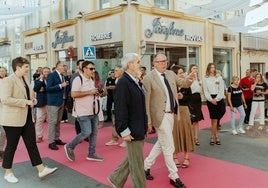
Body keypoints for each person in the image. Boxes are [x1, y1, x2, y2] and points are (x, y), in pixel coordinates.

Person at [0, 57, 57, 183]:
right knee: (11, 146)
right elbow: (5, 99)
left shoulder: (25, 79)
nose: (28, 69)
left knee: (31, 144)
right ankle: (8, 172)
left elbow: (30, 95)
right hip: (12, 119)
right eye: (26, 67)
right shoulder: (8, 81)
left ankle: (41, 169)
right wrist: (26, 102)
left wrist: (34, 100)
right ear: (18, 67)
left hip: (27, 117)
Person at [143, 52, 195, 188]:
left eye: (164, 61)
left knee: (161, 142)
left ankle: (145, 166)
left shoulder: (171, 74)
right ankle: (174, 176)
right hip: (160, 117)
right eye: (159, 62)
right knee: (169, 146)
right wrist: (148, 121)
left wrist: (190, 78)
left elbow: (183, 83)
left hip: (172, 114)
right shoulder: (148, 78)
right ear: (153, 64)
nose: (163, 64)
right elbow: (146, 102)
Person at [108, 53, 148, 188]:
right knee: (137, 165)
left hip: (138, 126)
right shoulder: (124, 82)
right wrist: (123, 130)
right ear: (129, 65)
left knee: (133, 158)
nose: (140, 65)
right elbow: (120, 108)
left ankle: (116, 179)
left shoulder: (134, 80)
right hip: (131, 129)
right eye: (138, 62)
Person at [64, 61, 104, 162]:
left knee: (94, 133)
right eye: (91, 69)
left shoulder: (91, 80)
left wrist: (97, 93)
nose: (93, 71)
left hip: (93, 111)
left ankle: (91, 153)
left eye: (94, 68)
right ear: (84, 69)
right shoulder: (78, 79)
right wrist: (89, 92)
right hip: (82, 112)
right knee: (86, 132)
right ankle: (70, 146)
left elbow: (91, 93)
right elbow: (73, 94)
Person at [171, 65, 195, 168]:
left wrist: (183, 96)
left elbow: (191, 98)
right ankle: (175, 156)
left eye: (182, 72)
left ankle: (186, 156)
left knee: (186, 133)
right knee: (174, 133)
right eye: (180, 73)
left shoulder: (186, 84)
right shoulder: (171, 84)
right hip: (174, 111)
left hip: (185, 110)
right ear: (175, 75)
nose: (182, 74)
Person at [202, 63, 226, 145]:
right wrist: (210, 99)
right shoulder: (205, 78)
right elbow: (205, 90)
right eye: (211, 67)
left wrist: (216, 99)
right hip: (210, 99)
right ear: (208, 69)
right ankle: (215, 136)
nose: (213, 69)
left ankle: (213, 136)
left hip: (218, 99)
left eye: (214, 67)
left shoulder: (219, 78)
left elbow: (221, 90)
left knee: (215, 119)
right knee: (213, 118)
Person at [46, 61, 68, 150]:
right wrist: (60, 85)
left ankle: (56, 138)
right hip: (53, 102)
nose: (65, 67)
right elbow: (48, 88)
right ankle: (51, 142)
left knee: (58, 121)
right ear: (58, 66)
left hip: (61, 101)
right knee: (53, 121)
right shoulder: (51, 75)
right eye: (63, 66)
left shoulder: (63, 76)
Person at [105, 65, 125, 147]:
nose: (114, 72)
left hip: (122, 105)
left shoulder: (124, 80)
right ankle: (114, 138)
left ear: (122, 72)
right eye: (114, 71)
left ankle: (126, 140)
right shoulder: (116, 79)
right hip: (115, 103)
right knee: (114, 122)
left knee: (123, 122)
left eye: (116, 71)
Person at [187, 64, 204, 146]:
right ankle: (190, 138)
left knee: (197, 120)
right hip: (191, 99)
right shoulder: (188, 78)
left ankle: (196, 138)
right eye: (194, 68)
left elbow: (200, 90)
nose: (195, 70)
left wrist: (197, 79)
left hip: (198, 99)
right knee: (191, 121)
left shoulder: (199, 79)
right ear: (190, 70)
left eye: (196, 68)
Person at [33, 67, 50, 143]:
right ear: (42, 73)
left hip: (50, 102)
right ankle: (39, 136)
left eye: (48, 72)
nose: (46, 73)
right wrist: (41, 80)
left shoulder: (51, 80)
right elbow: (36, 89)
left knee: (51, 120)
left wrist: (43, 89)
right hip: (41, 103)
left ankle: (51, 137)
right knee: (39, 120)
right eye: (45, 72)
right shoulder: (38, 80)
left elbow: (51, 89)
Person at [70, 59, 84, 135]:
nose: (83, 65)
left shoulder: (87, 74)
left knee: (85, 118)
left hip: (86, 101)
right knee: (78, 118)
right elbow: (73, 89)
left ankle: (85, 134)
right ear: (78, 66)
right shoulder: (75, 76)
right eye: (81, 64)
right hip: (77, 99)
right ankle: (79, 134)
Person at [0, 66, 8, 161]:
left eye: (3, 71)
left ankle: (1, 150)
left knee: (3, 132)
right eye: (0, 71)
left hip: (5, 109)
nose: (1, 72)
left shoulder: (8, 81)